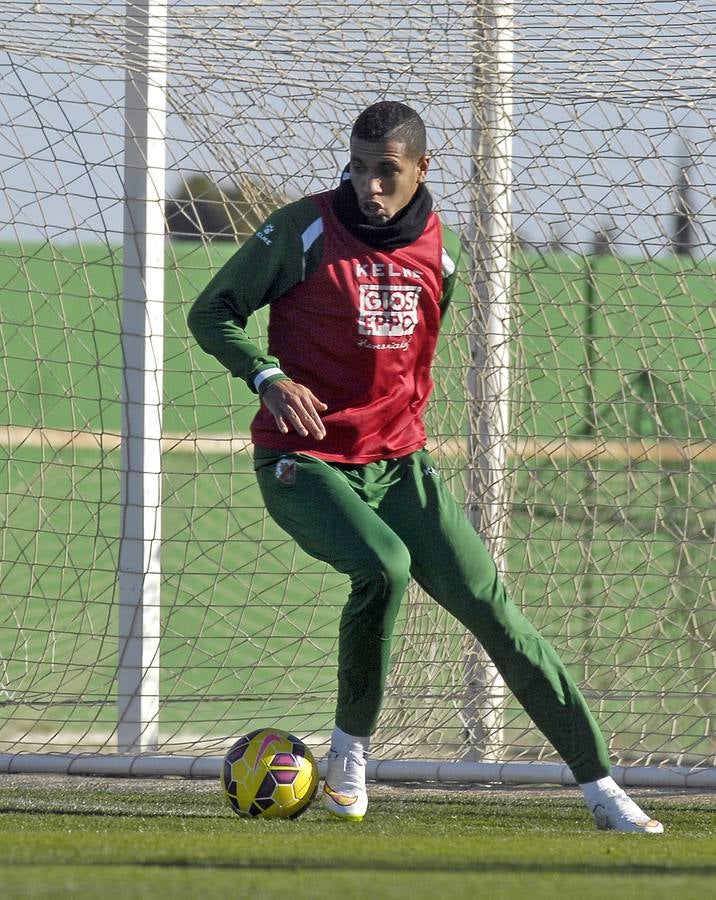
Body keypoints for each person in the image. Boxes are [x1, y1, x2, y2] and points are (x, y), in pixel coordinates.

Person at [188, 101, 663, 833]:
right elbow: (212, 310)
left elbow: (408, 371)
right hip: (302, 462)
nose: (369, 186)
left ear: (421, 171)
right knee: (383, 566)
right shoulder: (303, 228)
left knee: (500, 619)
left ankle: (603, 790)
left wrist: (398, 436)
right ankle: (350, 752)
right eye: (358, 168)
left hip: (400, 468)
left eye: (387, 172)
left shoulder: (440, 250)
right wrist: (267, 377)